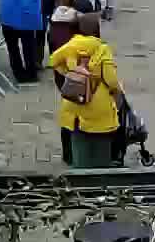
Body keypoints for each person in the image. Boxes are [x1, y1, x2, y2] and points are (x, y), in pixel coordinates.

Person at [48, 12, 120, 168]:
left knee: (79, 146)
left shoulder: (71, 45)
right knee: (101, 150)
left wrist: (69, 73)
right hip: (99, 106)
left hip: (76, 106)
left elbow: (52, 60)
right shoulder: (102, 49)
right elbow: (111, 80)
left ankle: (80, 174)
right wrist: (117, 91)